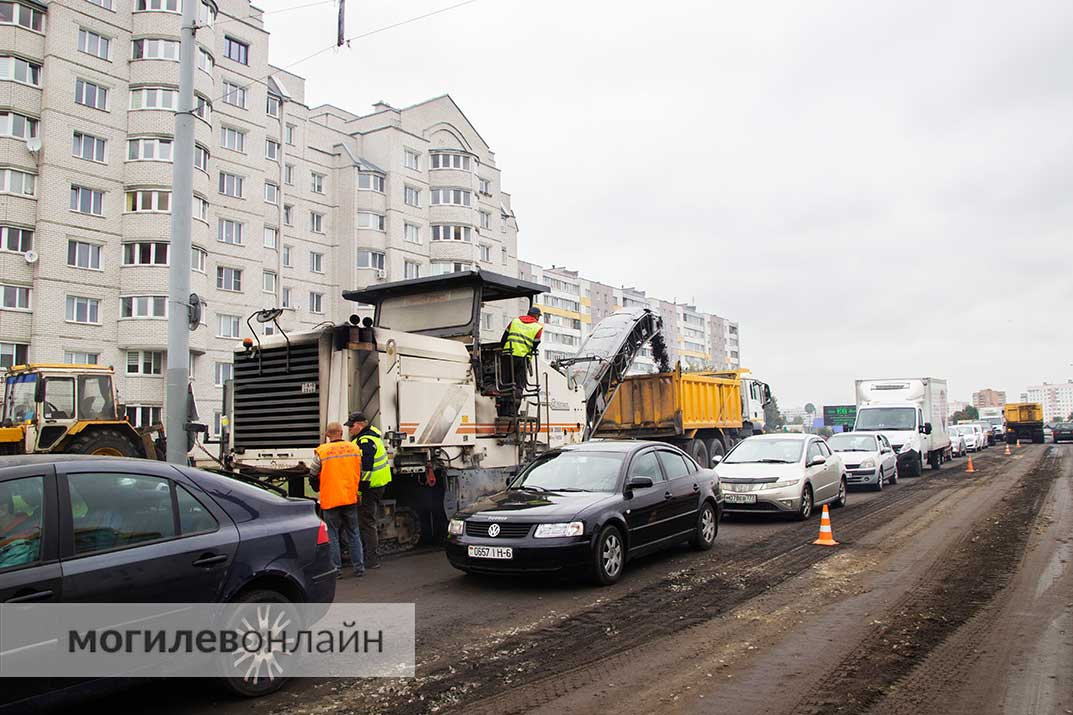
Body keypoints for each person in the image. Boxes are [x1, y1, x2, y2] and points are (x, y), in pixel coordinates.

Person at [309, 422, 364, 578]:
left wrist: (316, 486)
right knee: (354, 533)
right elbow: (359, 470)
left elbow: (313, 473)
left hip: (330, 500)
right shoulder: (354, 449)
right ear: (341, 432)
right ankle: (359, 568)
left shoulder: (322, 451)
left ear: (327, 434)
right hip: (349, 498)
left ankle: (336, 570)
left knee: (332, 535)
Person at [346, 412, 392, 569]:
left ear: (360, 425)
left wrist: (360, 488)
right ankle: (370, 556)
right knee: (368, 521)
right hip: (377, 484)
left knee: (367, 522)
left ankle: (372, 559)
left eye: (351, 426)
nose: (350, 429)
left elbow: (366, 467)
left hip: (370, 486)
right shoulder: (371, 436)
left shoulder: (365, 440)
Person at [501, 306, 544, 398]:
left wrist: (502, 349)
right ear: (536, 316)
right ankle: (515, 406)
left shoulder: (515, 321)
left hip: (508, 354)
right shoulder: (537, 327)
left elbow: (504, 337)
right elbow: (535, 344)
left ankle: (503, 404)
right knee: (519, 385)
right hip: (522, 358)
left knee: (505, 382)